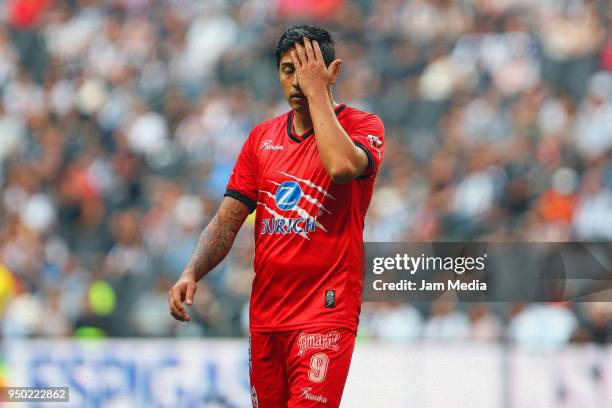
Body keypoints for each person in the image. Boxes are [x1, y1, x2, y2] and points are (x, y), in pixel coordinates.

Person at [168, 24, 385, 407]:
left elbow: (339, 167)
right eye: (288, 70)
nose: (297, 81)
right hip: (267, 314)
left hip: (326, 310)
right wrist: (191, 271)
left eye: (307, 70)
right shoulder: (260, 139)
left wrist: (317, 94)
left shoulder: (364, 126)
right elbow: (227, 220)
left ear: (333, 72)